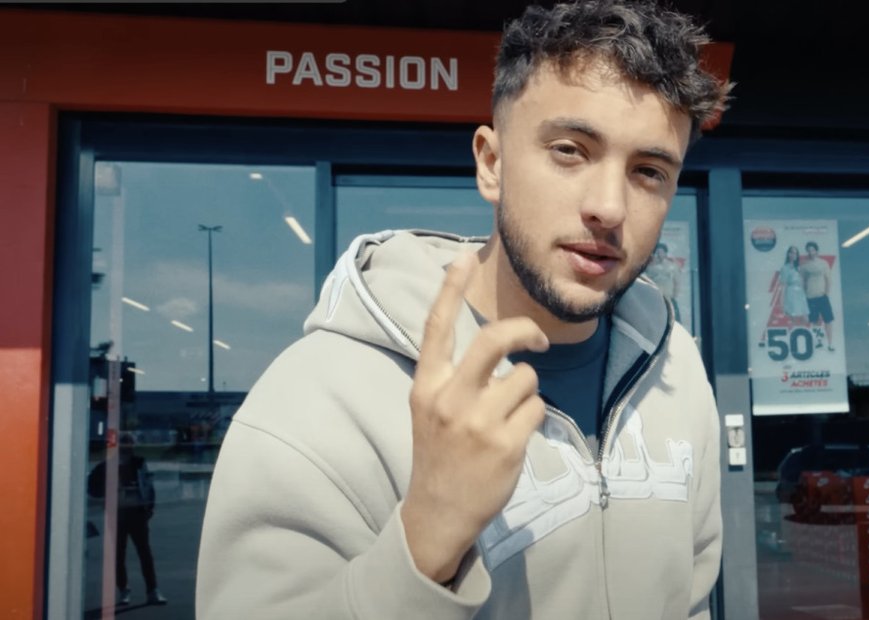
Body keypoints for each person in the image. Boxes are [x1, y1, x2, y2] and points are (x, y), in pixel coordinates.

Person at [197, 1, 730, 618]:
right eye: (570, 150)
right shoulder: (319, 394)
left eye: (649, 171)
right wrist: (427, 537)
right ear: (491, 164)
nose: (609, 207)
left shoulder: (676, 367)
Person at [87, 433, 168, 606]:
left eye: (129, 446)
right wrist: (106, 489)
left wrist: (149, 507)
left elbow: (148, 486)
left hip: (137, 513)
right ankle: (124, 589)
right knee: (119, 554)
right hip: (117, 514)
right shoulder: (106, 466)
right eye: (123, 446)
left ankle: (152, 589)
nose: (126, 450)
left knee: (144, 553)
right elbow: (92, 488)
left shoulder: (139, 463)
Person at [800, 241, 835, 351]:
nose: (811, 252)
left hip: (822, 296)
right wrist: (804, 295)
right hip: (810, 296)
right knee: (814, 321)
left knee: (828, 320)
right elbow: (803, 282)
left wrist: (826, 293)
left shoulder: (823, 263)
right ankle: (819, 341)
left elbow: (828, 279)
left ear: (816, 250)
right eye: (809, 250)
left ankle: (830, 344)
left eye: (813, 250)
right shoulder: (805, 265)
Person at [645, 241, 683, 324]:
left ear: (665, 253)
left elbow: (677, 283)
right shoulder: (649, 267)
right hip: (655, 300)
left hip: (669, 298)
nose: (659, 254)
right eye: (657, 252)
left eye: (662, 252)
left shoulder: (672, 266)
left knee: (674, 322)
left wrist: (674, 295)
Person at [779, 246, 809, 324]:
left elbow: (802, 282)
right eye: (792, 253)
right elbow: (783, 285)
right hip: (791, 294)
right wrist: (781, 301)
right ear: (788, 254)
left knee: (805, 318)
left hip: (801, 294)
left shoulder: (798, 267)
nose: (794, 255)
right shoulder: (785, 268)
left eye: (796, 253)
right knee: (794, 318)